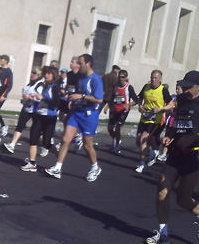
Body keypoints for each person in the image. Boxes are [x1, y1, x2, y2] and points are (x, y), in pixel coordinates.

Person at [144, 71, 199, 244]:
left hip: (194, 155)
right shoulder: (182, 100)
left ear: (198, 87)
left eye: (188, 86)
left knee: (183, 200)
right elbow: (178, 123)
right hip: (176, 152)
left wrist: (193, 138)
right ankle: (163, 234)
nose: (184, 89)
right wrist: (171, 136)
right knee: (161, 192)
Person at [45, 54, 103, 182]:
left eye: (80, 63)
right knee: (65, 139)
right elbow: (79, 92)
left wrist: (81, 97)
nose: (78, 66)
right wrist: (73, 100)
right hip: (77, 112)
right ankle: (57, 167)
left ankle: (95, 167)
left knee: (88, 146)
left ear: (88, 64)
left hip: (89, 115)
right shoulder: (81, 77)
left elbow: (99, 99)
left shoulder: (95, 79)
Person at [21, 66, 60, 172]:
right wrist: (34, 97)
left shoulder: (54, 87)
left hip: (49, 117)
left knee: (46, 143)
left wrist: (43, 98)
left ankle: (59, 157)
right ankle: (32, 163)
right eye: (45, 73)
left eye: (49, 73)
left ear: (53, 75)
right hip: (39, 115)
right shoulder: (43, 86)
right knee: (33, 138)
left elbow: (56, 103)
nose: (46, 75)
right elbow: (40, 99)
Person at [134, 70, 174, 173]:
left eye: (155, 78)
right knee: (138, 141)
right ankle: (153, 152)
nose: (153, 79)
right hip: (144, 118)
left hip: (155, 120)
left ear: (160, 80)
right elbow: (140, 98)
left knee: (143, 139)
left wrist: (160, 109)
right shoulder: (146, 87)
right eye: (152, 77)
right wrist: (140, 106)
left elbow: (171, 104)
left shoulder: (163, 90)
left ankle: (142, 163)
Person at [3, 68, 42, 153]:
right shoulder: (29, 84)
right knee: (20, 126)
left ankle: (46, 146)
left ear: (38, 75)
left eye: (34, 73)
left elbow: (41, 99)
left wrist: (31, 97)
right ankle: (12, 145)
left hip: (35, 110)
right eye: (32, 72)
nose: (32, 74)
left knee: (37, 130)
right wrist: (24, 96)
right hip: (26, 108)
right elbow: (25, 92)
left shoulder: (40, 85)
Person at [105, 70, 138, 154]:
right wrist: (107, 106)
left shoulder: (128, 87)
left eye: (123, 77)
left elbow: (136, 100)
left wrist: (129, 104)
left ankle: (117, 146)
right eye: (119, 77)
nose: (121, 79)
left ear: (126, 78)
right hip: (115, 109)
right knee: (109, 128)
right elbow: (112, 97)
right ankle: (115, 140)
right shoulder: (115, 86)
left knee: (118, 128)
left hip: (123, 110)